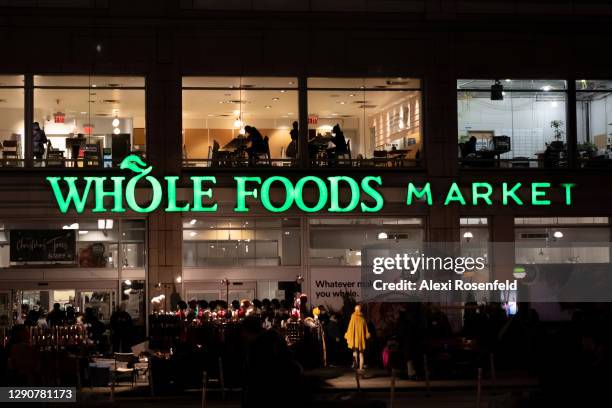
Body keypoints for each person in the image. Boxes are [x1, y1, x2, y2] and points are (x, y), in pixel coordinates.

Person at [344, 304, 370, 371]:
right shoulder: (363, 319)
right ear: (360, 310)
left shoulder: (353, 318)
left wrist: (347, 335)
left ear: (355, 310)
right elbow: (366, 330)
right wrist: (367, 335)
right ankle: (361, 369)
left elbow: (350, 328)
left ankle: (355, 369)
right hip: (361, 339)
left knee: (355, 353)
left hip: (354, 339)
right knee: (361, 353)